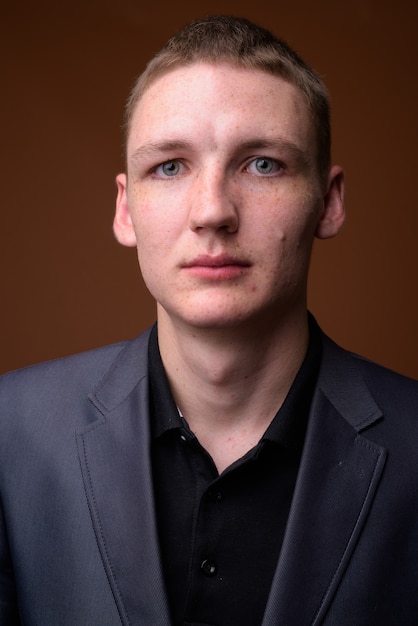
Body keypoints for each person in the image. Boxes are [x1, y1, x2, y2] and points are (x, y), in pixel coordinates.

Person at [1, 15, 417, 626]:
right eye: (170, 166)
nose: (213, 212)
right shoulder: (8, 433)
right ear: (125, 210)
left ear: (328, 203)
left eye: (263, 164)